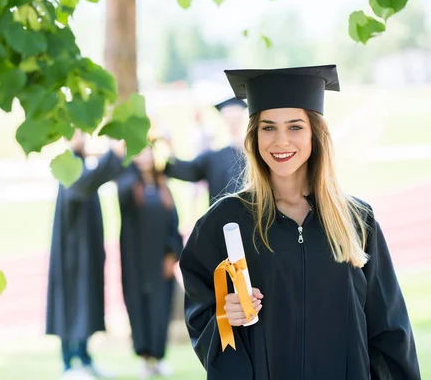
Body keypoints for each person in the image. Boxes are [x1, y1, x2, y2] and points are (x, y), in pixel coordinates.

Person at [180, 65, 421, 379]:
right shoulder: (227, 222)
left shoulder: (357, 220)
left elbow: (389, 330)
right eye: (268, 127)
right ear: (253, 136)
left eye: (295, 127)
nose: (281, 141)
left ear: (314, 133)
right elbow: (203, 312)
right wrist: (226, 316)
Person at [46, 130, 125, 379]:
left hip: (86, 250)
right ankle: (69, 363)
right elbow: (84, 184)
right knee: (70, 303)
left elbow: (99, 176)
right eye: (75, 134)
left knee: (86, 302)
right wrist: (112, 153)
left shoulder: (81, 163)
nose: (81, 138)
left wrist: (116, 157)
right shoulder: (67, 165)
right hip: (70, 252)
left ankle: (84, 357)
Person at [116, 147, 184, 378]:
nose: (144, 156)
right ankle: (145, 358)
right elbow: (123, 198)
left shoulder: (163, 187)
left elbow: (174, 224)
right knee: (140, 309)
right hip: (136, 261)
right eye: (139, 151)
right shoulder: (128, 185)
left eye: (148, 152)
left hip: (160, 262)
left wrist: (172, 255)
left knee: (160, 309)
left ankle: (158, 357)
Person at [164, 98, 248, 205]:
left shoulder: (255, 153)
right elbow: (189, 170)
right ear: (223, 121)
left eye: (236, 119)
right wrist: (168, 149)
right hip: (221, 218)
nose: (233, 124)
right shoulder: (214, 156)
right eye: (229, 120)